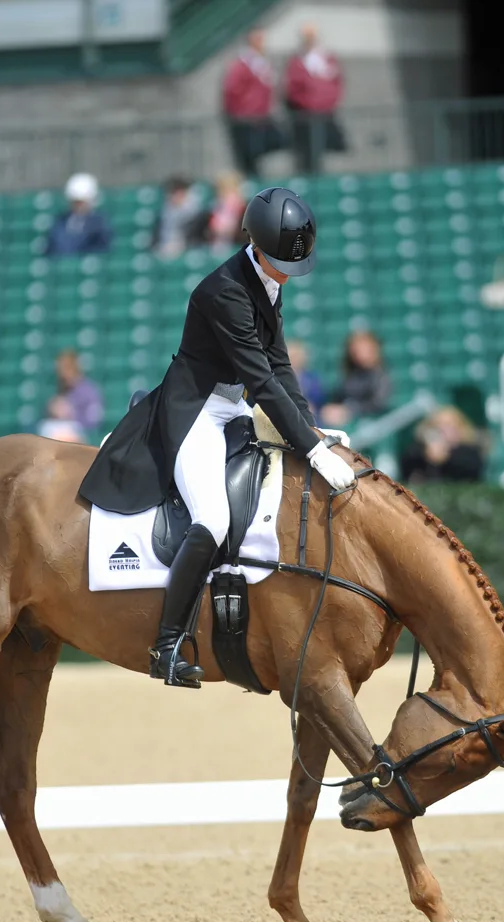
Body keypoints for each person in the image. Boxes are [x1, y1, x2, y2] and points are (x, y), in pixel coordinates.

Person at [79, 187, 355, 688]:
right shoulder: (223, 290)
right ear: (254, 243)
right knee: (214, 516)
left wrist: (309, 426)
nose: (283, 274)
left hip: (230, 407)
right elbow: (262, 380)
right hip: (195, 412)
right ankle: (165, 646)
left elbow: (280, 364)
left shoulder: (268, 279)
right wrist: (312, 450)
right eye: (278, 264)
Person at [284, 23, 345, 175]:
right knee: (308, 152)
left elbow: (337, 82)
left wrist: (328, 102)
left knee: (325, 148)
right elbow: (292, 87)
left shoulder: (327, 59)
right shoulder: (297, 61)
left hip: (325, 113)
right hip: (306, 115)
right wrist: (306, 103)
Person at [221, 29, 282, 176]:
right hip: (246, 118)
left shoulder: (261, 63)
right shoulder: (243, 64)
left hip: (260, 117)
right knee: (248, 156)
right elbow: (232, 89)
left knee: (270, 144)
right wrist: (243, 110)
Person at [319, 330, 392, 428]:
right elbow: (338, 396)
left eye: (363, 349)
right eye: (355, 350)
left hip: (369, 423)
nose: (358, 353)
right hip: (345, 419)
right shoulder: (351, 373)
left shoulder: (380, 375)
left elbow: (378, 404)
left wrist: (349, 409)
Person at [400, 407, 485, 484]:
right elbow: (407, 461)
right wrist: (426, 453)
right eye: (438, 424)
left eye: (448, 425)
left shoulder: (470, 451)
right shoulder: (419, 449)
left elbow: (472, 469)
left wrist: (446, 456)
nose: (442, 428)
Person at [52, 349, 104, 433]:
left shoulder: (89, 391)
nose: (62, 373)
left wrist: (71, 414)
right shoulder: (61, 390)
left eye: (67, 368)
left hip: (81, 439)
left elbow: (94, 421)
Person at [153, 177, 204, 259]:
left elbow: (194, 235)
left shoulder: (194, 211)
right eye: (172, 192)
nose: (173, 195)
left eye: (176, 191)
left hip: (185, 248)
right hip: (166, 248)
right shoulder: (167, 211)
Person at [207, 171, 246, 253]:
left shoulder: (242, 206)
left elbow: (240, 231)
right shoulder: (217, 205)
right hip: (217, 244)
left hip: (235, 245)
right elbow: (212, 227)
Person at [286, 340, 325, 422]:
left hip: (310, 414)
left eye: (297, 356)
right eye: (292, 356)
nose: (294, 359)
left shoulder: (311, 377)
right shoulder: (276, 377)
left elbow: (319, 398)